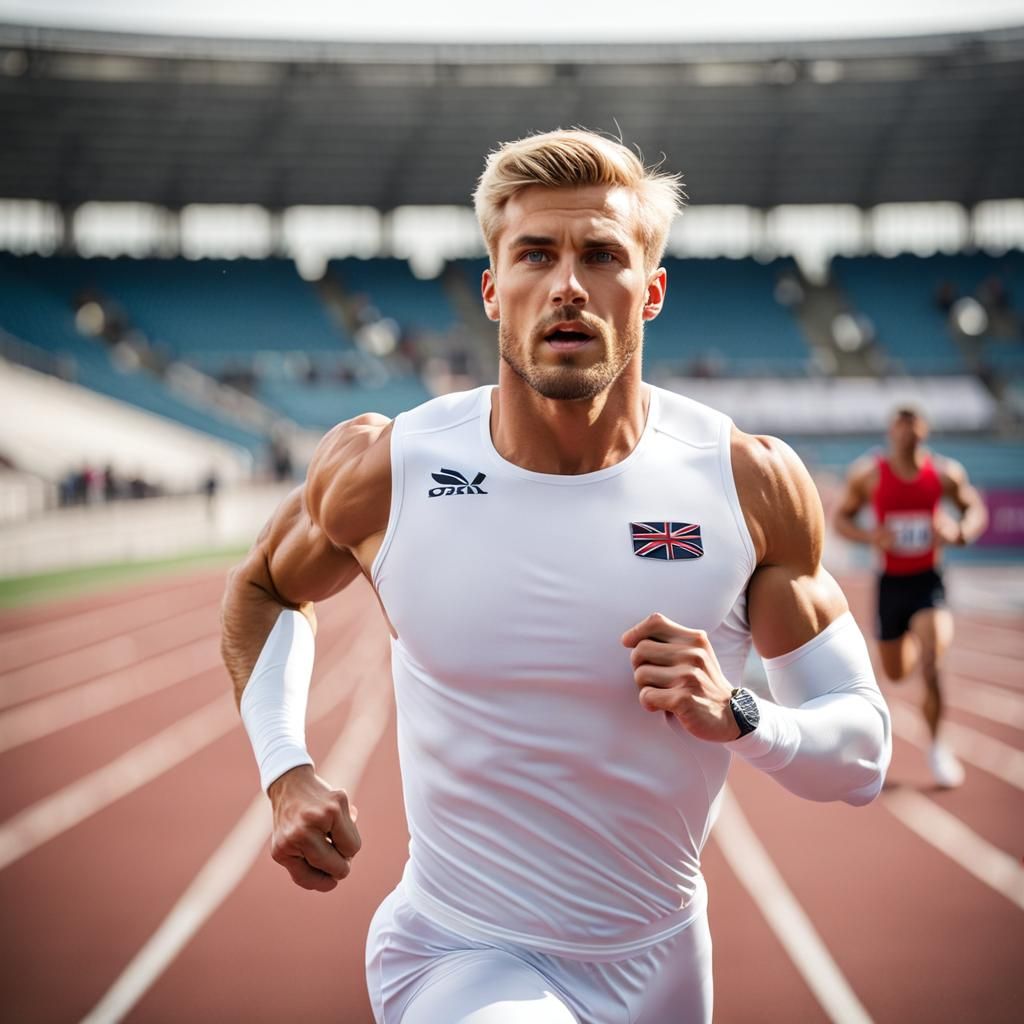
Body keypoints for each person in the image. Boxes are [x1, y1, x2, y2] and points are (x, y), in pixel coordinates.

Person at [221, 129, 892, 1024]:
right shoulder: (391, 466)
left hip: (663, 965)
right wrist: (286, 769)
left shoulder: (747, 484)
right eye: (535, 254)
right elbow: (266, 586)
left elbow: (861, 757)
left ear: (649, 293)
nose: (568, 284)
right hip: (459, 952)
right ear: (495, 291)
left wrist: (741, 714)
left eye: (601, 255)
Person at [833, 406, 988, 789]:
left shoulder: (945, 474)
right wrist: (872, 537)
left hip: (927, 581)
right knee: (897, 672)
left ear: (924, 432)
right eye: (901, 427)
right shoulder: (869, 475)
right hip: (891, 585)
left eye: (914, 427)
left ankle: (937, 748)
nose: (908, 434)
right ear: (891, 432)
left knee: (934, 660)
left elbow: (974, 508)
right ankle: (917, 644)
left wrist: (959, 530)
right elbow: (841, 520)